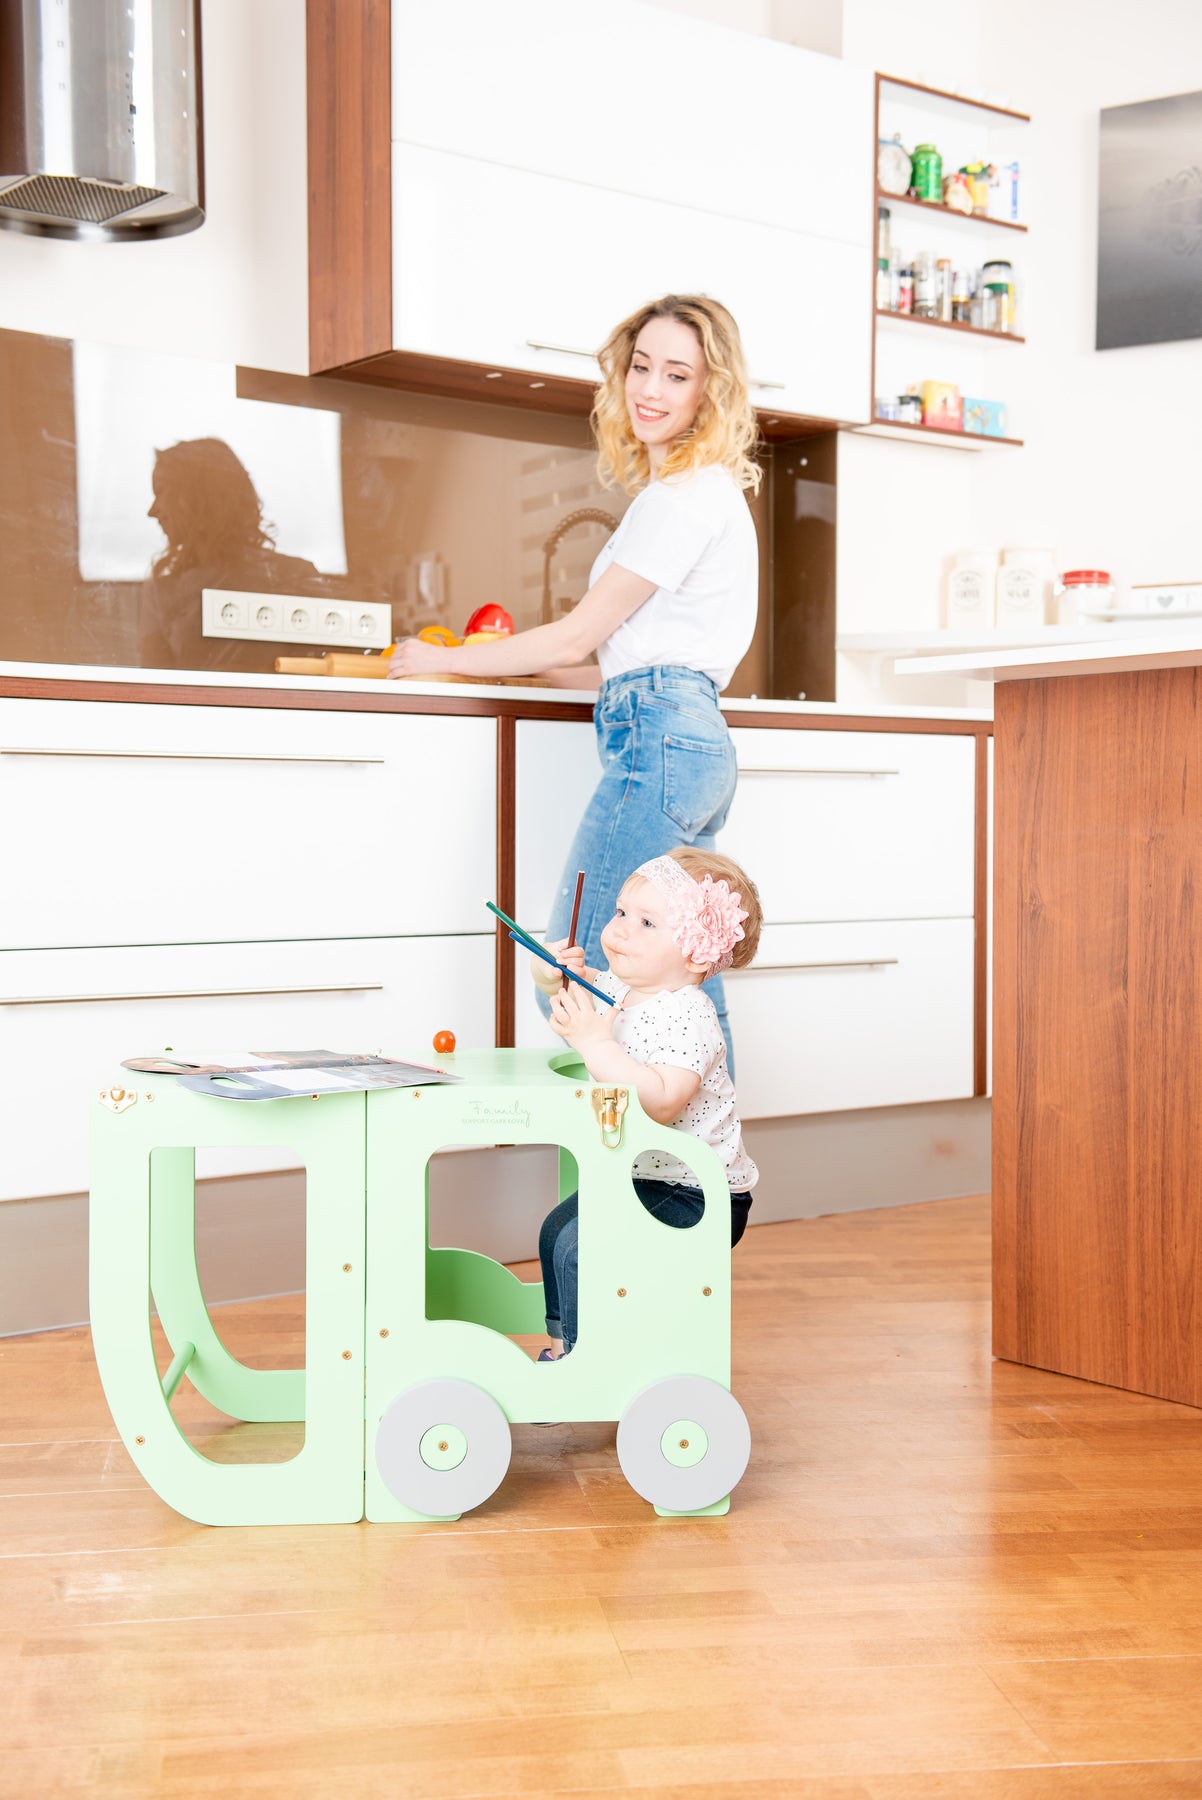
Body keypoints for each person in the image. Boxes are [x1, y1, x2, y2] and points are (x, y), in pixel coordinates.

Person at [387, 293, 761, 1069]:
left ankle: (630, 1145)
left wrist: (437, 660)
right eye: (641, 366)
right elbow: (627, 659)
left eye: (677, 374)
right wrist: (537, 666)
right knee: (684, 976)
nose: (650, 389)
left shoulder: (680, 499)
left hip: (662, 741)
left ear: (709, 390)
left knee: (576, 970)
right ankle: (709, 1147)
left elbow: (580, 633)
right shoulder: (702, 493)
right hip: (690, 739)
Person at [530, 845, 761, 1360]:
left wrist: (595, 1043)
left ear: (695, 953)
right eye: (620, 912)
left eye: (647, 922)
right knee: (555, 1232)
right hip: (649, 1176)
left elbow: (661, 1102)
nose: (620, 930)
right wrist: (550, 974)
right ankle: (564, 1351)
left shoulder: (689, 1016)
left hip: (699, 1193)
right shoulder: (626, 988)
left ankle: (585, 1364)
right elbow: (578, 986)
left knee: (580, 1248)